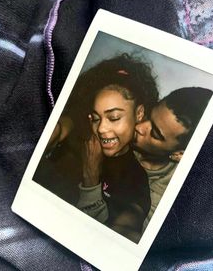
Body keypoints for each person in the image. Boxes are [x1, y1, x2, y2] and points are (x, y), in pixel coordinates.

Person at [78, 87, 213, 236]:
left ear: (179, 154)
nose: (140, 127)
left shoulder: (166, 197)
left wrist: (90, 180)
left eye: (154, 133)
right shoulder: (123, 128)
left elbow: (122, 234)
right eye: (148, 115)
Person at [66, 53, 159, 243]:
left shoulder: (136, 177)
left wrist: (90, 181)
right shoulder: (77, 142)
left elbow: (125, 229)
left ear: (139, 113)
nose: (101, 129)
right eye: (96, 118)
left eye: (114, 117)